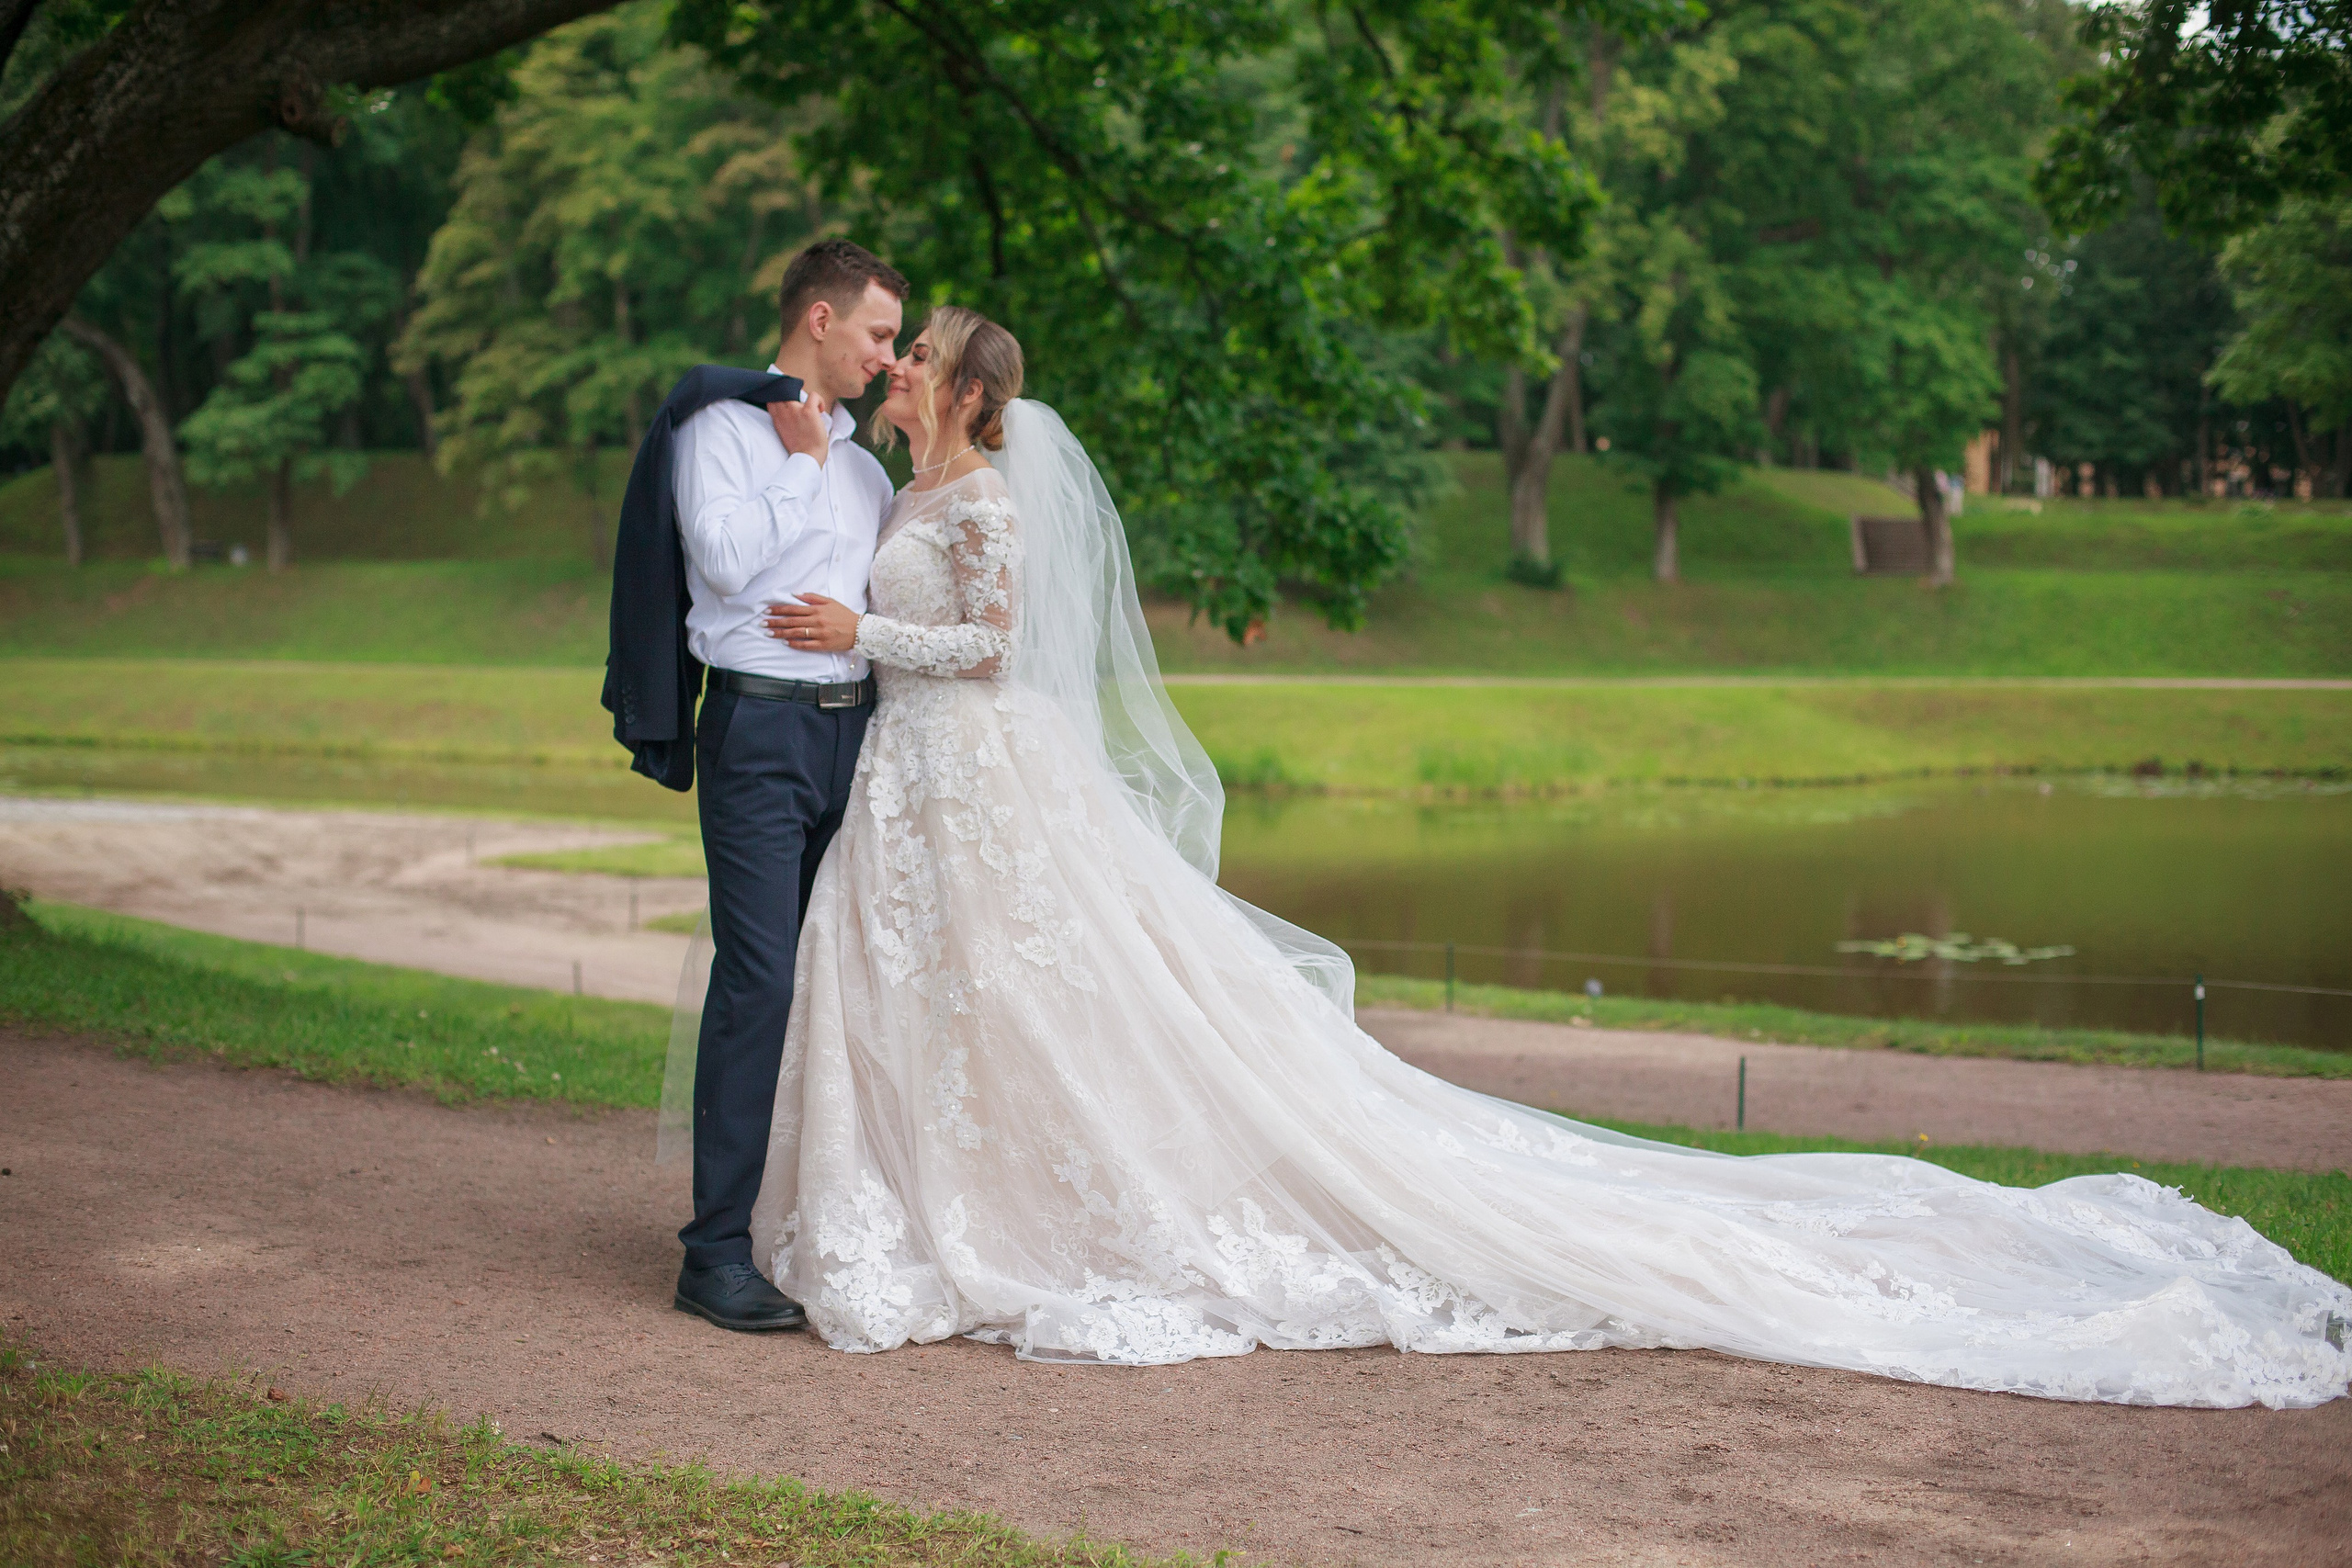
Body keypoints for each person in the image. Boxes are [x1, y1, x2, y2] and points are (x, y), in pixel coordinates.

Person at [745, 306, 2351, 1407]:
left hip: (979, 771)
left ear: (964, 386)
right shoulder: (906, 475)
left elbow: (1001, 648)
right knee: (960, 1006)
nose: (902, 361)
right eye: (899, 346)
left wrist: (860, 624)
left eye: (920, 352)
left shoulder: (999, 501)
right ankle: (941, 1199)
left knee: (1047, 1000)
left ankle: (1044, 1213)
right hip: (916, 787)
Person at [665, 240, 906, 1332]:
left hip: (855, 739)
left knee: (837, 983)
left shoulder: (869, 471)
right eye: (877, 334)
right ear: (819, 318)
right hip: (757, 732)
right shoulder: (717, 432)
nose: (886, 357)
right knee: (759, 981)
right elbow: (719, 565)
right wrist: (800, 464)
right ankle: (711, 1253)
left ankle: (808, 1226)